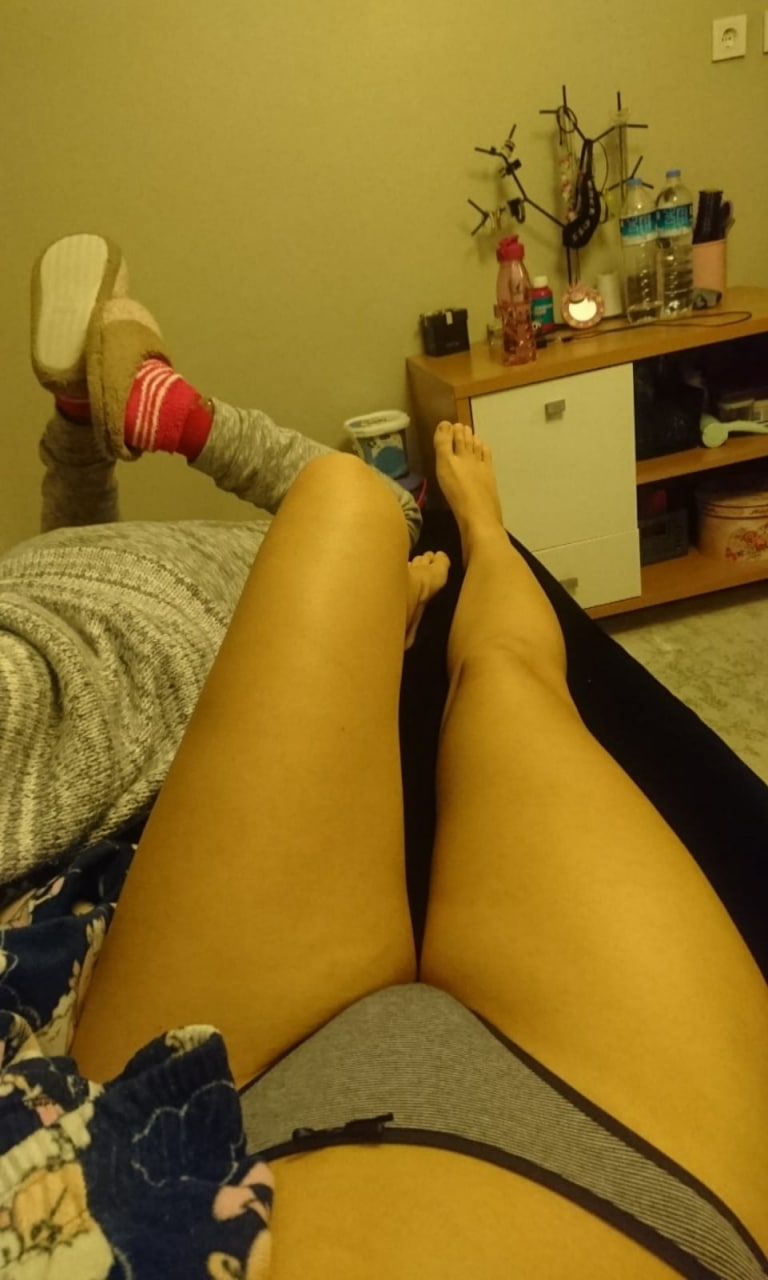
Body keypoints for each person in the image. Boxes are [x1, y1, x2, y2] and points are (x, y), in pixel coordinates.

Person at [0, 235, 766, 1277]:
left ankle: (106, 431)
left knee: (383, 554)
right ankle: (472, 534)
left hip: (165, 1119)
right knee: (437, 592)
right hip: (634, 1175)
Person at [0, 233, 422, 887]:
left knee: (389, 514)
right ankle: (92, 416)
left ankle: (169, 413)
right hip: (39, 582)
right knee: (60, 630)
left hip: (154, 625)